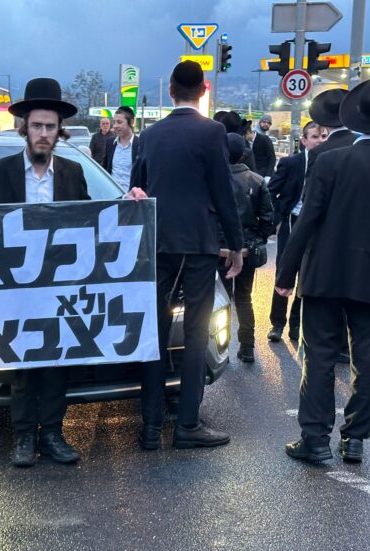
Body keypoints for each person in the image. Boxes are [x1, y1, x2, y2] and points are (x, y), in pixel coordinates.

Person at [0, 78, 108, 467]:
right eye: (37, 126)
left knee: (57, 362)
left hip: (60, 287)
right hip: (16, 288)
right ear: (24, 128)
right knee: (22, 363)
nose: (44, 134)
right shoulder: (0, 172)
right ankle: (24, 437)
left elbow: (89, 221)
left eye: (50, 127)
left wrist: (130, 206)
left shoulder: (72, 173)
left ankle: (53, 434)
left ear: (59, 131)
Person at [277, 77, 370, 464]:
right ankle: (355, 437)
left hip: (323, 273)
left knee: (319, 355)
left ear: (357, 118)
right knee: (366, 356)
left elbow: (307, 221)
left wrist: (286, 274)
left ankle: (315, 438)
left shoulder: (329, 161)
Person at [130, 61, 243, 451]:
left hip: (158, 244)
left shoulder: (149, 135)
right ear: (203, 90)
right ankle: (187, 425)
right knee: (196, 333)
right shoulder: (212, 132)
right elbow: (223, 192)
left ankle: (150, 428)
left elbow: (137, 191)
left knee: (155, 333)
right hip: (198, 245)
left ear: (171, 90)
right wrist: (236, 245)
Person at [306, 88, 358, 364]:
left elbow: (311, 203)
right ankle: (347, 347)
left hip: (326, 239)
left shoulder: (320, 153)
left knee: (326, 308)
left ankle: (331, 349)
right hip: (359, 239)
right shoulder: (360, 146)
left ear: (324, 122)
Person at [267, 121, 326, 343]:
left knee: (307, 274)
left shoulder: (330, 163)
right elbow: (271, 192)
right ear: (304, 141)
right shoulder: (292, 163)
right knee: (284, 270)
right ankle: (277, 323)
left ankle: (296, 324)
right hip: (292, 221)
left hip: (315, 226)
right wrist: (277, 219)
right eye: (315, 137)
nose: (320, 141)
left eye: (323, 137)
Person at [220, 133, 274, 363]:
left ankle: (219, 348)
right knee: (244, 297)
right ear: (244, 153)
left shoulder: (214, 179)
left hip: (219, 248)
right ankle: (247, 346)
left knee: (219, 300)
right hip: (247, 248)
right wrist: (256, 239)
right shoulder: (257, 180)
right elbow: (268, 218)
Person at [103, 106, 139, 191]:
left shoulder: (140, 145)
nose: (115, 126)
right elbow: (105, 168)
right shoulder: (110, 143)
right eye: (114, 122)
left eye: (119, 122)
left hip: (133, 195)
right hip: (113, 194)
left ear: (131, 122)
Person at [252, 114, 276, 178]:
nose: (266, 124)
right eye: (264, 122)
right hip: (257, 171)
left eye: (268, 123)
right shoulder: (255, 134)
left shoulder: (264, 133)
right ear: (259, 122)